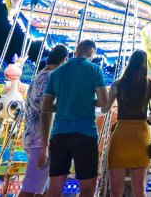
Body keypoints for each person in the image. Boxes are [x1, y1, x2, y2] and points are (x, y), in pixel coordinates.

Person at [40, 39, 110, 197]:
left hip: (59, 134)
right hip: (85, 133)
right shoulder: (94, 69)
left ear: (76, 51)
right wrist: (87, 102)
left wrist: (64, 105)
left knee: (55, 187)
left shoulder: (56, 73)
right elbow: (104, 102)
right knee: (87, 187)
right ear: (91, 52)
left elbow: (46, 107)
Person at [104, 49, 151, 197]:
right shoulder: (149, 84)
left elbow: (105, 108)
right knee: (139, 189)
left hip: (121, 134)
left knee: (115, 190)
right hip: (141, 135)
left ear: (129, 63)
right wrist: (148, 119)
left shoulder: (117, 84)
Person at [21, 44, 68, 197]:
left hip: (32, 135)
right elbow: (45, 110)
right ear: (64, 60)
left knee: (41, 189)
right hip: (41, 140)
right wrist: (45, 145)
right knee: (30, 188)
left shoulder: (38, 76)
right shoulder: (51, 77)